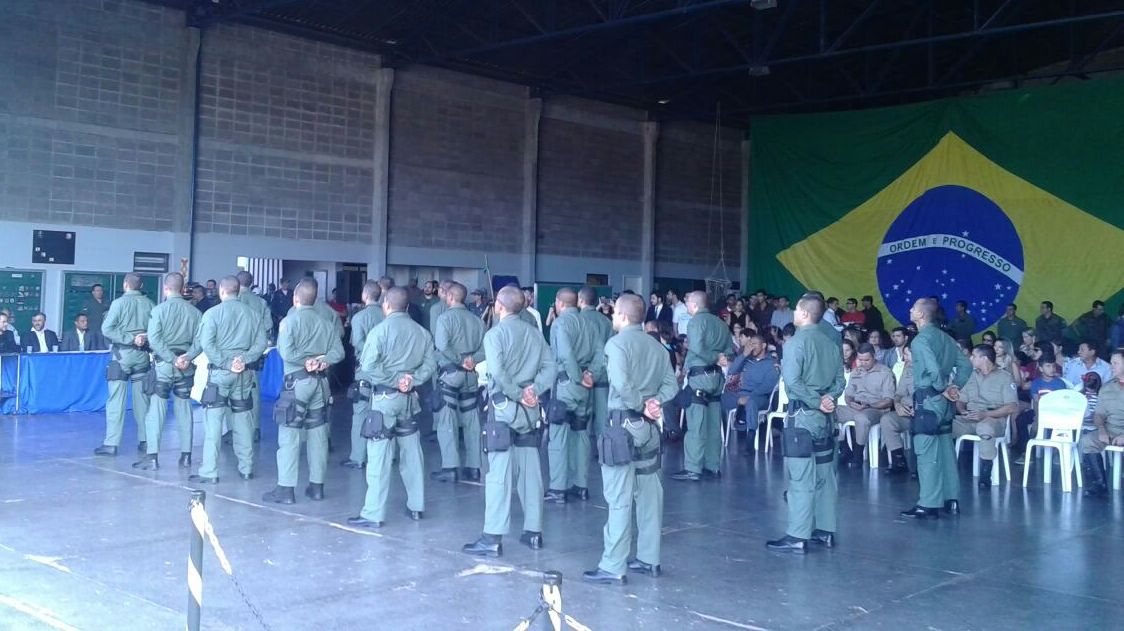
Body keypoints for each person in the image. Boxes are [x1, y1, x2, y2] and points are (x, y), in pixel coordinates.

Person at [582, 293, 678, 585]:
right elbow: (672, 384)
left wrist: (640, 404)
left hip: (623, 427)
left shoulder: (616, 344)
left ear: (623, 316)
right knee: (650, 496)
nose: (612, 317)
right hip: (650, 429)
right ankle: (649, 559)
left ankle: (613, 565)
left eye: (614, 313)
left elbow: (622, 384)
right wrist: (654, 403)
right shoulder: (657, 346)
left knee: (619, 497)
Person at [462, 286, 556, 557]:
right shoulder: (535, 334)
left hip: (503, 409)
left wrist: (517, 393)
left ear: (499, 307)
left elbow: (498, 373)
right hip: (529, 411)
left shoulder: (494, 335)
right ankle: (534, 532)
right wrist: (533, 391)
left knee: (499, 474)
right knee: (531, 472)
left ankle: (492, 537)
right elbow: (551, 367)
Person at [346, 287, 434, 526]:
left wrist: (394, 380)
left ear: (386, 305)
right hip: (410, 399)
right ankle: (416, 506)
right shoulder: (422, 333)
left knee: (379, 456)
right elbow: (430, 365)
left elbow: (368, 366)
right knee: (412, 454)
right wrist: (410, 380)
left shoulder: (380, 331)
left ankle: (373, 513)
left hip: (385, 400)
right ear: (407, 306)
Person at [766, 295, 845, 553]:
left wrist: (815, 401)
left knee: (800, 477)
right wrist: (828, 399)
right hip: (826, 418)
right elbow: (840, 381)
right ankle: (825, 530)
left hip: (802, 417)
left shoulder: (795, 343)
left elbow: (792, 382)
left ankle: (798, 535)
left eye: (796, 309)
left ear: (804, 313)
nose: (793, 312)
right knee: (825, 475)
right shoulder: (831, 343)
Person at [261, 279, 344, 503]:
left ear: (295, 298)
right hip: (320, 384)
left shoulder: (289, 321)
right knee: (318, 434)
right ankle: (317, 487)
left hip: (296, 384)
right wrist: (321, 361)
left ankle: (286, 489)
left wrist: (305, 361)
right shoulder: (326, 323)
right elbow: (339, 353)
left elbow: (286, 353)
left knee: (289, 434)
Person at [901, 298, 973, 520]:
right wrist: (954, 387)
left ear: (922, 315)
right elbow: (966, 365)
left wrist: (942, 388)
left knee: (926, 451)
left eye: (914, 308)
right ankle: (951, 499)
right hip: (944, 403)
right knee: (945, 449)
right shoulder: (946, 338)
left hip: (928, 400)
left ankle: (929, 503)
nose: (910, 310)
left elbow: (932, 369)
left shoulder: (920, 340)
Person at [190, 276, 267, 484]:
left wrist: (226, 363)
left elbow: (207, 344)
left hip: (219, 375)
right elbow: (261, 343)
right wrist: (244, 359)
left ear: (222, 291)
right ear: (238, 291)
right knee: (243, 420)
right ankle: (246, 468)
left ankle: (210, 471)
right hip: (244, 375)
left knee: (213, 422)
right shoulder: (253, 314)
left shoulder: (212, 313)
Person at [131, 273, 201, 471]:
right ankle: (186, 456)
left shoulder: (159, 310)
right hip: (186, 367)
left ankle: (152, 457)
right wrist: (186, 357)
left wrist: (171, 358)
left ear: (165, 288)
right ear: (183, 288)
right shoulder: (195, 313)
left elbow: (154, 339)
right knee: (184, 408)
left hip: (164, 366)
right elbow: (201, 341)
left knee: (156, 409)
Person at [544, 288, 602, 505]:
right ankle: (581, 485)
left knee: (558, 435)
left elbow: (566, 355)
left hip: (566, 385)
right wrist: (590, 375)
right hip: (585, 388)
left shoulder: (560, 324)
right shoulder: (589, 323)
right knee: (581, 434)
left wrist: (577, 377)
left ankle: (558, 488)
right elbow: (600, 352)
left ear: (559, 303)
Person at [671, 291, 731, 481]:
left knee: (696, 424)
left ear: (695, 305)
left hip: (700, 376)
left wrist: (713, 357)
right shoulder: (721, 323)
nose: (686, 303)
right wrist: (721, 358)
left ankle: (693, 468)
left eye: (687, 301)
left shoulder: (696, 322)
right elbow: (730, 351)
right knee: (713, 425)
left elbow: (697, 347)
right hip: (717, 377)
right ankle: (713, 466)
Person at [430, 282, 486, 483]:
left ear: (451, 297)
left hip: (451, 373)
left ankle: (450, 467)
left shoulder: (444, 318)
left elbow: (442, 346)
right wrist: (471, 360)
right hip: (471, 375)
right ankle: (474, 467)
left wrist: (459, 360)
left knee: (447, 419)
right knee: (472, 420)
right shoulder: (477, 321)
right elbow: (485, 349)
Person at [94, 274, 154, 457]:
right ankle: (145, 440)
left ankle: (111, 444)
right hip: (142, 356)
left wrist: (129, 338)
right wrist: (142, 338)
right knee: (142, 401)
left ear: (125, 284)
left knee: (116, 401)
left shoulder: (119, 303)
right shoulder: (150, 304)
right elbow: (155, 330)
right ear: (141, 286)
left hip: (121, 356)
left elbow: (107, 329)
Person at [953, 344, 1019, 489]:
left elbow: (1012, 407)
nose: (971, 358)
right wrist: (963, 411)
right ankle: (942, 467)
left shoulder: (1005, 377)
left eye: (974, 356)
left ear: (984, 358)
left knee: (985, 427)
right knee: (943, 424)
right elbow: (961, 400)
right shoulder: (971, 375)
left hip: (994, 419)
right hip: (970, 418)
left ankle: (985, 473)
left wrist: (985, 414)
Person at [342, 281, 383, 470]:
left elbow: (357, 343)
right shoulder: (387, 315)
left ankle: (358, 457)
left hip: (365, 371)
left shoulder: (359, 317)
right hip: (386, 371)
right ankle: (387, 457)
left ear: (365, 295)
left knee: (360, 413)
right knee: (385, 412)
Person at [836, 343, 896, 468]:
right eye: (860, 360)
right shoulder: (856, 372)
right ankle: (844, 448)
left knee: (861, 418)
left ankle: (857, 455)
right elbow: (848, 395)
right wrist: (851, 402)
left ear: (874, 356)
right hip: (856, 407)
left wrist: (869, 405)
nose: (863, 363)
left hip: (876, 409)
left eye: (867, 360)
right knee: (830, 411)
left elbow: (888, 400)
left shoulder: (885, 372)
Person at [1077, 349, 1124, 498]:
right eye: (1111, 363)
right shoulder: (1107, 387)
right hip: (1111, 429)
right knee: (1088, 440)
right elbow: (1099, 414)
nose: (1111, 366)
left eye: (1116, 363)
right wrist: (1102, 429)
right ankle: (1100, 484)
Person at [726, 333, 780, 451]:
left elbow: (768, 386)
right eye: (750, 344)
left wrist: (749, 396)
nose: (751, 347)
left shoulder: (771, 363)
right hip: (741, 394)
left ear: (763, 345)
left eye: (755, 344)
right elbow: (732, 371)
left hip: (760, 397)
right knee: (721, 398)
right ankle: (736, 420)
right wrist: (744, 355)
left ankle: (751, 435)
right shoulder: (747, 360)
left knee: (751, 403)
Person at [237, 271, 273, 443]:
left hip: (232, 352)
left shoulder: (232, 300)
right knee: (254, 389)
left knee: (230, 392)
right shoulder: (261, 302)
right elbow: (268, 325)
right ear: (251, 283)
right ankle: (255, 428)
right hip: (254, 351)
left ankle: (234, 430)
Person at [579, 287, 612, 442]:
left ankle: (583, 448)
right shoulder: (606, 321)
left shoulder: (577, 320)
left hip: (582, 374)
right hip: (603, 374)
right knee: (602, 417)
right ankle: (603, 449)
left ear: (580, 300)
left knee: (582, 417)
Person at [879, 340, 914, 475]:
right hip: (906, 411)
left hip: (924, 413)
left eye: (907, 355)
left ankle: (919, 467)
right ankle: (898, 461)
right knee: (888, 420)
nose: (904, 358)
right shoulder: (908, 371)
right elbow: (898, 394)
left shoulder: (932, 371)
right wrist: (898, 405)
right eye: (904, 354)